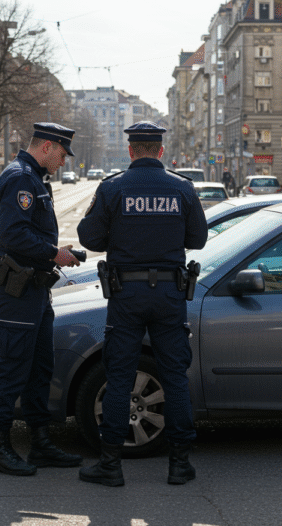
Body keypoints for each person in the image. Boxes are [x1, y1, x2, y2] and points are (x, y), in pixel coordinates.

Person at [76, 121, 209, 487]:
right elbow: (197, 238)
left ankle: (111, 464)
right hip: (169, 295)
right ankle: (180, 464)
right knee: (174, 377)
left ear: (132, 150)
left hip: (126, 295)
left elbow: (89, 237)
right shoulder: (182, 188)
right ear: (161, 151)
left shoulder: (113, 187)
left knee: (119, 378)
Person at [0, 122, 83, 476]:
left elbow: (31, 230)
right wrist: (52, 253)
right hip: (18, 289)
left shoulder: (34, 178)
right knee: (12, 368)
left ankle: (40, 443)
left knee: (39, 368)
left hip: (35, 287)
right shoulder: (20, 178)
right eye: (62, 153)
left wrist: (54, 251)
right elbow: (13, 234)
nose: (64, 161)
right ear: (47, 147)